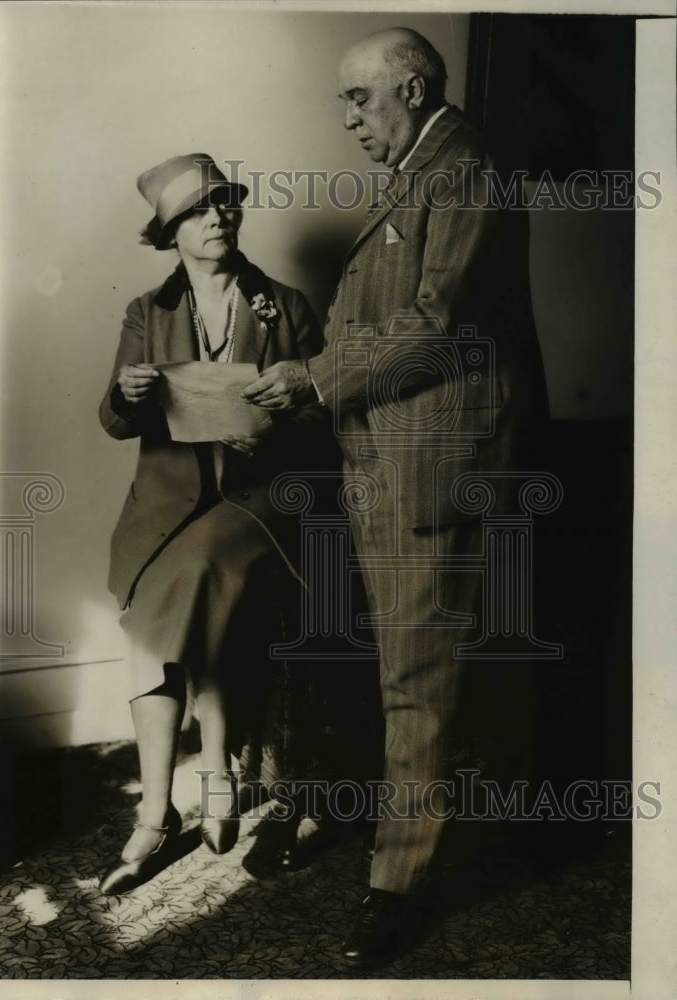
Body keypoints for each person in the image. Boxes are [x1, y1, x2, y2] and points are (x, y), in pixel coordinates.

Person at [242, 28, 548, 966]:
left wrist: (315, 378)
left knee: (416, 680)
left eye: (360, 100)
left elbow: (429, 324)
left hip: (427, 461)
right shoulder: (427, 162)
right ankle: (392, 835)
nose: (347, 118)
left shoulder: (461, 168)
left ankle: (399, 885)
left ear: (410, 90)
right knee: (397, 668)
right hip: (389, 455)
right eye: (345, 101)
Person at [98, 153, 329, 895]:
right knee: (153, 608)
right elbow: (110, 420)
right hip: (166, 508)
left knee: (192, 580)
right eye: (199, 210)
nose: (219, 217)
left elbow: (327, 416)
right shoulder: (147, 311)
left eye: (226, 203)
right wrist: (130, 392)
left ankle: (170, 805)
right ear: (170, 231)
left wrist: (278, 426)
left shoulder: (284, 305)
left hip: (262, 507)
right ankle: (186, 792)